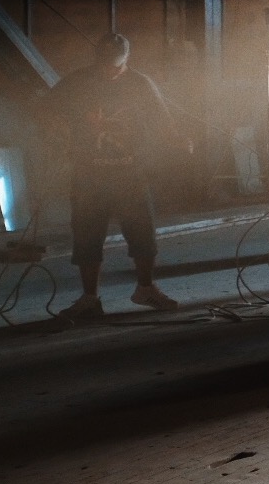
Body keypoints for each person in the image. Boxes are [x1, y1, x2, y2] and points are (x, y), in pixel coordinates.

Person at [42, 33, 189, 317]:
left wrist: (178, 139)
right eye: (105, 65)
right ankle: (89, 299)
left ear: (126, 60)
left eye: (116, 66)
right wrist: (57, 130)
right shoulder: (76, 82)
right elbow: (46, 108)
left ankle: (145, 289)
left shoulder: (140, 83)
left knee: (143, 234)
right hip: (89, 174)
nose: (110, 71)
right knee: (87, 236)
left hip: (131, 173)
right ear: (97, 59)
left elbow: (162, 117)